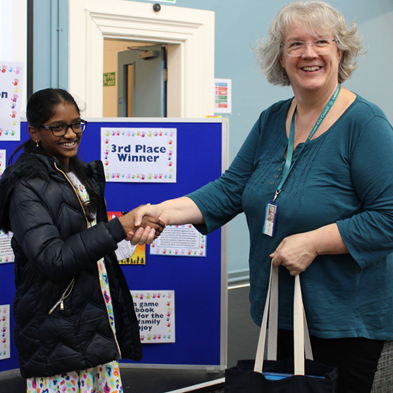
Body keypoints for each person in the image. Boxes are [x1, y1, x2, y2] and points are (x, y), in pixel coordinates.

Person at [131, 2, 393, 392]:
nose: (309, 53)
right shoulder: (273, 119)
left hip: (345, 321)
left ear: (340, 51)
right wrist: (161, 212)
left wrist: (313, 243)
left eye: (322, 42)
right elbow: (230, 188)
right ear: (281, 58)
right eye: (295, 44)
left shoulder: (365, 125)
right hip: (279, 308)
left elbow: (387, 217)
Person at [0, 88, 165, 392]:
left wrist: (134, 231)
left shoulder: (78, 174)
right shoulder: (25, 184)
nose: (71, 134)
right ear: (34, 132)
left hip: (93, 318)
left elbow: (94, 245)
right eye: (58, 127)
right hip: (55, 327)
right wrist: (117, 227)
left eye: (76, 124)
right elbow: (55, 259)